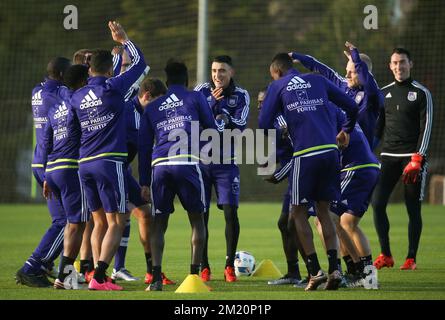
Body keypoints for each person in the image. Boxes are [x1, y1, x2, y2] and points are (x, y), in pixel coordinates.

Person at [259, 53, 358, 291]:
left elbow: (263, 124)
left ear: (276, 72)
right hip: (330, 153)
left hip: (305, 154)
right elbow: (352, 106)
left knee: (297, 212)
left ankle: (315, 271)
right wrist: (346, 129)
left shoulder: (278, 85)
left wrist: (284, 130)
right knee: (324, 211)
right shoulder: (318, 80)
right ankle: (335, 270)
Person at [70, 21, 148, 291]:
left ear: (90, 69)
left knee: (99, 221)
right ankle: (101, 277)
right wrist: (124, 39)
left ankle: (91, 271)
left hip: (84, 163)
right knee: (118, 219)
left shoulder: (78, 95)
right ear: (111, 69)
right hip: (108, 161)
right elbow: (140, 65)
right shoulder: (113, 88)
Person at [138, 60, 225, 291]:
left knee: (158, 223)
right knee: (197, 220)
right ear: (187, 80)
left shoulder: (152, 108)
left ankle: (155, 279)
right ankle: (193, 277)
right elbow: (212, 130)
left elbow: (144, 147)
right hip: (187, 163)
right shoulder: (195, 98)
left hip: (160, 165)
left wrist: (144, 182)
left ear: (166, 81)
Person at [372, 48, 433, 271]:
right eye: (395, 63)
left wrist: (418, 157)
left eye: (403, 62)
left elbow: (426, 128)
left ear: (411, 64)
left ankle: (411, 258)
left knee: (412, 209)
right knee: (377, 204)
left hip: (412, 159)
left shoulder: (421, 93)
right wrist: (369, 151)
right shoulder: (383, 93)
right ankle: (386, 254)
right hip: (388, 157)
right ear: (390, 66)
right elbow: (378, 128)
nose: (399, 67)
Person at [111, 77, 175, 286]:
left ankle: (151, 271)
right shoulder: (128, 113)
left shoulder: (143, 113)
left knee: (145, 214)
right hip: (109, 170)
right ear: (147, 96)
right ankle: (93, 270)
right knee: (104, 220)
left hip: (124, 170)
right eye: (158, 102)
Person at [16, 56, 72, 288]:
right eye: (68, 73)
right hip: (52, 163)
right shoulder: (59, 94)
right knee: (68, 222)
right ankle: (32, 266)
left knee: (61, 220)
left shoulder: (37, 91)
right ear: (60, 75)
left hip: (40, 162)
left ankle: (43, 265)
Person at [194, 55, 250, 282]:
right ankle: (204, 266)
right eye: (215, 71)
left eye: (222, 71)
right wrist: (210, 105)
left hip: (226, 163)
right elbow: (191, 119)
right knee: (201, 216)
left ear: (231, 73)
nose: (217, 75)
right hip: (201, 162)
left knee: (230, 212)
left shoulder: (242, 95)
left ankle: (229, 265)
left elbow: (240, 125)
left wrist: (224, 115)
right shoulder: (200, 91)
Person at [41, 64, 90, 289]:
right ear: (82, 81)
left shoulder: (55, 108)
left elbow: (46, 142)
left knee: (73, 223)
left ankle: (66, 275)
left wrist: (44, 177)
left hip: (52, 169)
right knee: (76, 224)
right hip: (71, 168)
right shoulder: (78, 102)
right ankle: (65, 276)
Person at [257, 89, 308, 287]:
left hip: (304, 174)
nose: (261, 106)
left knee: (296, 223)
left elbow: (298, 153)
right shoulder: (268, 125)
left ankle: (315, 272)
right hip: (293, 177)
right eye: (258, 103)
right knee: (285, 224)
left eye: (264, 102)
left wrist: (277, 174)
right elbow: (279, 153)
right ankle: (294, 273)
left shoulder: (284, 121)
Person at [289, 41, 384, 147]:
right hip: (338, 151)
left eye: (352, 72)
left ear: (364, 72)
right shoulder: (343, 84)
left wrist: (357, 61)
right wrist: (298, 57)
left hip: (360, 155)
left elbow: (368, 82)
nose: (347, 75)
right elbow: (323, 70)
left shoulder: (372, 95)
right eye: (346, 70)